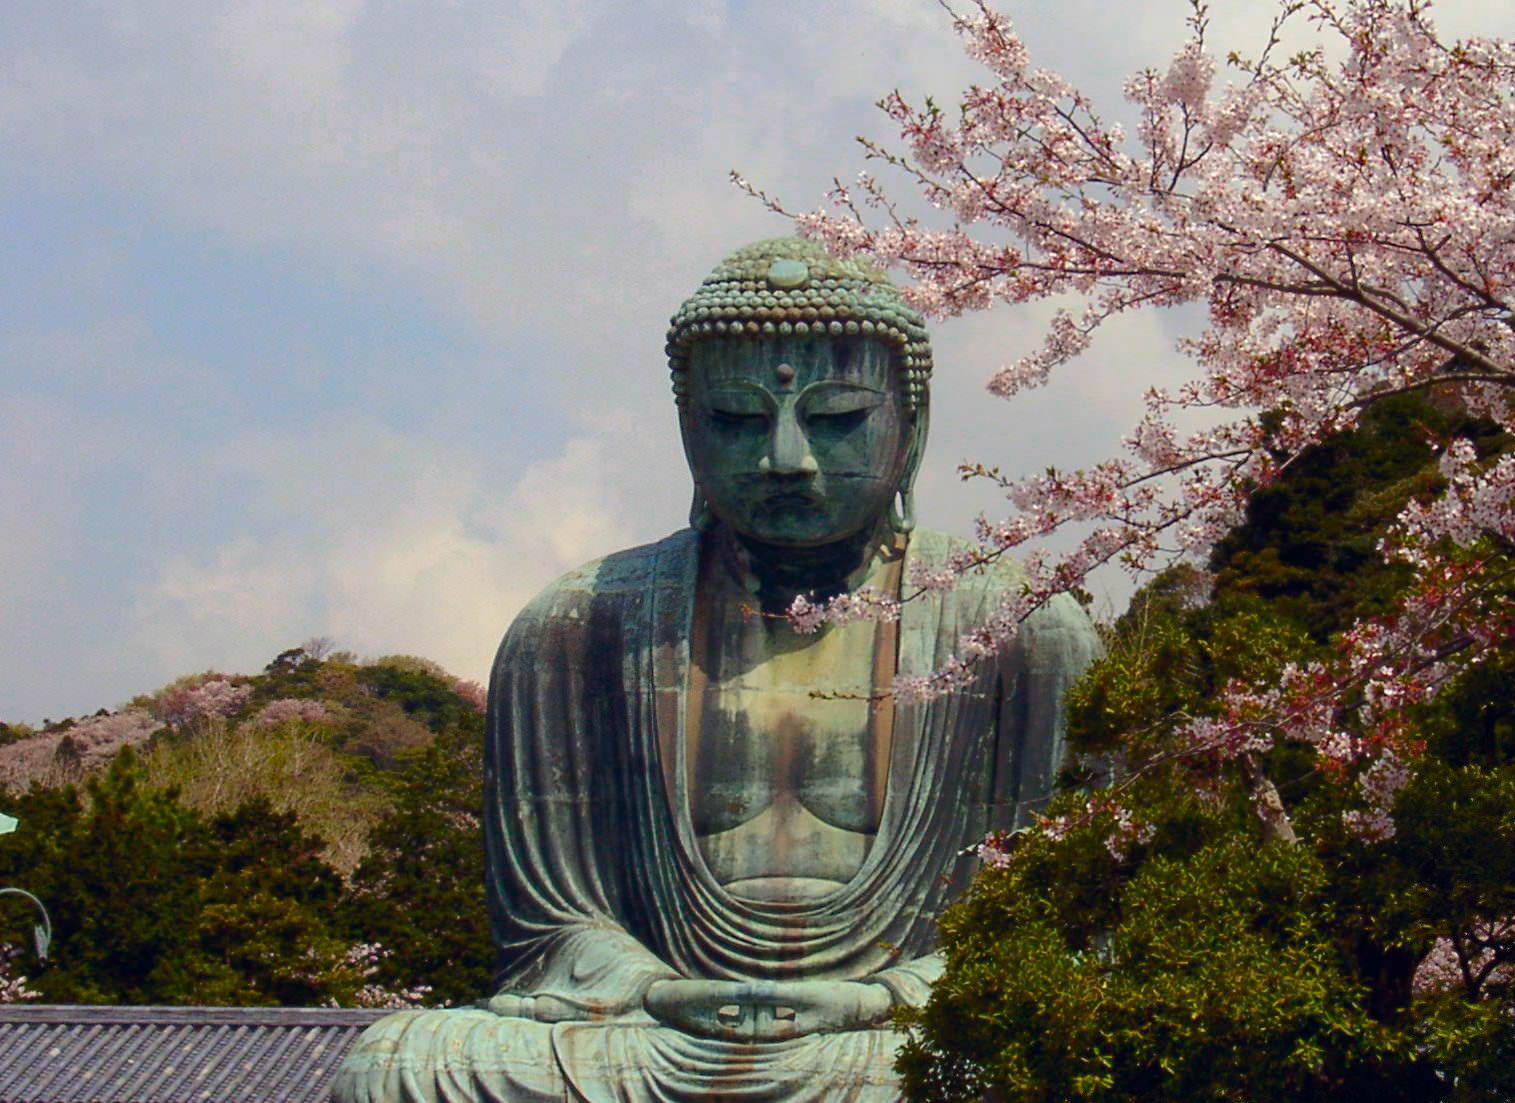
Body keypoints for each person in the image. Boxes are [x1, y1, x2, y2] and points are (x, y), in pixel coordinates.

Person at [333, 237, 1098, 1102]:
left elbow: (1072, 924)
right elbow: (552, 926)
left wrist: (881, 996)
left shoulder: (1018, 629)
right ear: (687, 429)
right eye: (735, 421)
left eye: (837, 417)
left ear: (910, 427)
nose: (784, 456)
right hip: (658, 1033)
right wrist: (655, 986)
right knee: (397, 1062)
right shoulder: (580, 623)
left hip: (895, 1039)